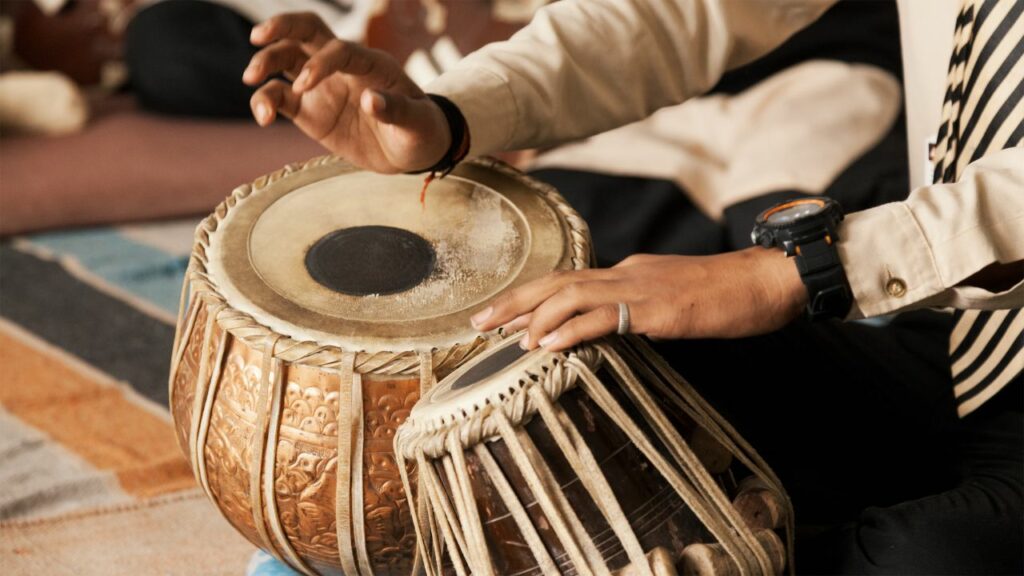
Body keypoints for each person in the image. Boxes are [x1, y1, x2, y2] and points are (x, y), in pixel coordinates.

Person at [241, 1, 1023, 573]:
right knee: (601, 358)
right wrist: (451, 112)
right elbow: (679, 13)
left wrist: (797, 270)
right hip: (958, 337)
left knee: (938, 557)